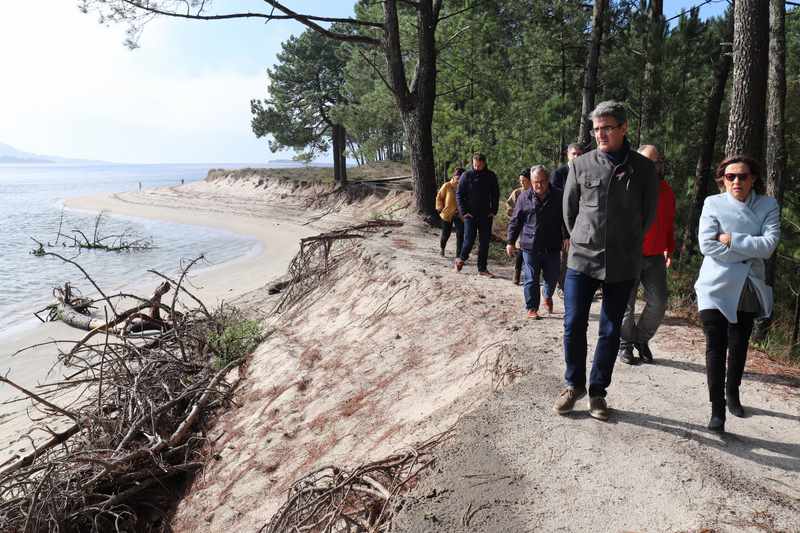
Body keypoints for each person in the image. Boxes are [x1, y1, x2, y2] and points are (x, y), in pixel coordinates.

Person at [554, 100, 659, 421]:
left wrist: (625, 241)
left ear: (623, 128)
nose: (600, 134)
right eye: (596, 129)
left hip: (623, 262)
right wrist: (585, 237)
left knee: (611, 329)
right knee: (573, 324)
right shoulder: (580, 165)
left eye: (607, 128)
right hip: (582, 259)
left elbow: (649, 214)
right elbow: (569, 212)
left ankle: (598, 392)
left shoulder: (642, 169)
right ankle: (574, 385)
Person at [695, 155, 779, 433]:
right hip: (714, 285)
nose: (736, 181)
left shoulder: (768, 205)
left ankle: (733, 392)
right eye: (730, 177)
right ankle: (716, 409)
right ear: (723, 180)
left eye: (742, 176)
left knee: (739, 344)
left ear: (753, 178)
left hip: (748, 285)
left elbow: (768, 246)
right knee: (715, 347)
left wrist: (731, 239)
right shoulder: (712, 203)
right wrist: (746, 250)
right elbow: (707, 245)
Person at [619, 145, 676, 365]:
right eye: (647, 162)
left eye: (656, 162)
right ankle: (624, 345)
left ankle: (641, 340)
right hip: (628, 255)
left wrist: (669, 248)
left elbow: (668, 223)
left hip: (654, 257)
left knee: (659, 303)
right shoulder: (626, 186)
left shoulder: (667, 191)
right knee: (626, 306)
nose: (653, 166)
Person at [506, 166, 566, 319]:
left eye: (542, 181)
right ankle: (532, 308)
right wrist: (510, 241)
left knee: (552, 276)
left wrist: (567, 236)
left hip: (552, 244)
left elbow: (565, 219)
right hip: (530, 245)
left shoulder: (559, 196)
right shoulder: (524, 197)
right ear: (531, 182)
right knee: (531, 278)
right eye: (535, 182)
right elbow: (516, 221)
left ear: (548, 180)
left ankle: (547, 295)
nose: (538, 185)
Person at [455, 153, 500, 277]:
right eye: (475, 164)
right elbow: (459, 195)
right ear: (472, 163)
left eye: (479, 165)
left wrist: (493, 210)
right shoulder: (466, 175)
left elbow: (495, 194)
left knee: (484, 242)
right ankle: (461, 259)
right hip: (470, 215)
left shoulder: (491, 176)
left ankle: (482, 269)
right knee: (469, 239)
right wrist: (464, 212)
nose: (477, 167)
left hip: (486, 215)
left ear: (484, 163)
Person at [550, 143, 584, 294]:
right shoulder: (559, 173)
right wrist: (565, 233)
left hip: (582, 221)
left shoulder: (586, 171)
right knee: (565, 256)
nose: (577, 157)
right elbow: (557, 203)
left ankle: (578, 287)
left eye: (579, 154)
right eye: (574, 154)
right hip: (563, 222)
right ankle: (562, 286)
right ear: (568, 155)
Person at [506, 168, 532, 284]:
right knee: (521, 249)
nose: (522, 183)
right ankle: (516, 274)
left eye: (524, 180)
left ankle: (529, 275)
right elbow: (509, 206)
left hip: (532, 226)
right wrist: (514, 215)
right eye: (520, 180)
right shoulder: (517, 192)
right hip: (521, 226)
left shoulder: (536, 192)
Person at [436, 167, 465, 257]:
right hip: (447, 213)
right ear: (454, 176)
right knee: (446, 234)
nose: (459, 179)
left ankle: (458, 256)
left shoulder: (465, 187)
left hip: (459, 215)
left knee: (460, 234)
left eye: (461, 177)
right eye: (458, 177)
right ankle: (442, 248)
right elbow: (439, 197)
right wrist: (440, 208)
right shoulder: (447, 185)